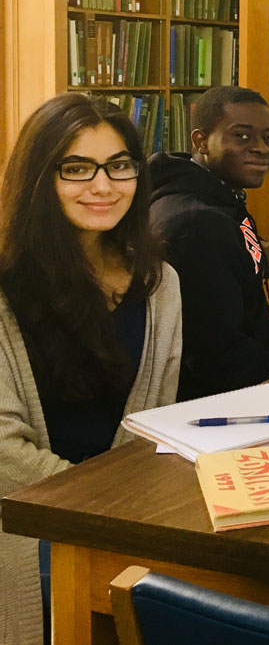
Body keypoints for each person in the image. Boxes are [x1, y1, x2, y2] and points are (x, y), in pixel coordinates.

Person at [0, 94, 183, 645]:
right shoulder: (7, 286)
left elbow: (155, 421)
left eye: (119, 165)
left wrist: (129, 511)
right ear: (38, 178)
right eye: (76, 168)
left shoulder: (160, 283)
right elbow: (3, 448)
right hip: (27, 519)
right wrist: (101, 511)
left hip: (123, 513)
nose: (103, 186)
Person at [148, 86, 269, 400]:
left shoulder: (216, 194)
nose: (261, 148)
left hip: (255, 364)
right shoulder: (197, 225)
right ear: (201, 141)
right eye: (242, 136)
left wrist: (254, 247)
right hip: (225, 398)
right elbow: (217, 356)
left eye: (268, 138)